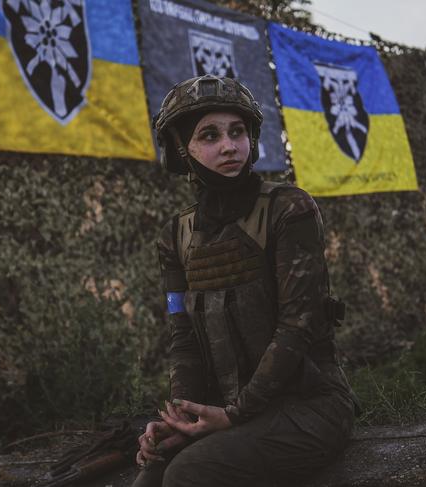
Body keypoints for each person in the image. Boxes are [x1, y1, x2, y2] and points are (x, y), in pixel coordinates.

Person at [132, 75, 357, 487]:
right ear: (183, 149)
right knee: (150, 475)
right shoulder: (176, 236)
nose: (229, 146)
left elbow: (297, 325)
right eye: (210, 135)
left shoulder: (289, 209)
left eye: (237, 132)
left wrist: (233, 414)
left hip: (307, 405)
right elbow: (182, 334)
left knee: (188, 474)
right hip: (224, 410)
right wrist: (182, 416)